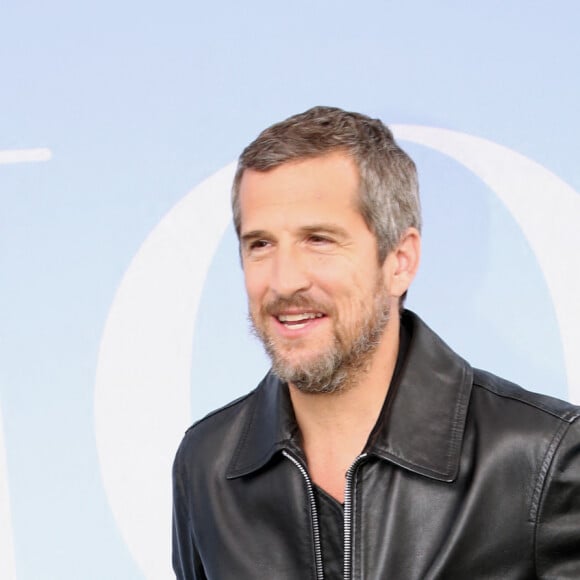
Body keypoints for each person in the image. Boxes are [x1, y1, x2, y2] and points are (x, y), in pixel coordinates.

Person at [172, 106, 580, 579]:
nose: (283, 281)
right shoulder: (207, 464)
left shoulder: (543, 459)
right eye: (260, 245)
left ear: (400, 261)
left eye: (319, 239)